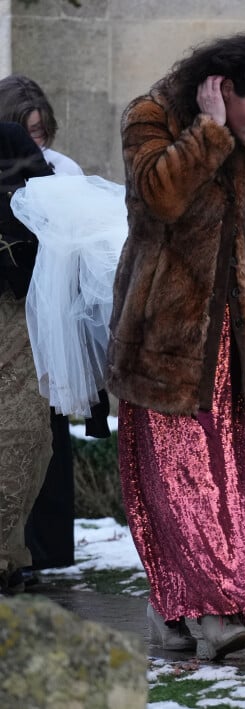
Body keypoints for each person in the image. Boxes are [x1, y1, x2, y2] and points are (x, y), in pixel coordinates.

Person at [105, 34, 245, 658]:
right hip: (163, 331)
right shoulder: (150, 116)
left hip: (230, 331)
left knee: (221, 479)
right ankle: (211, 610)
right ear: (221, 88)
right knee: (172, 477)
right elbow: (155, 200)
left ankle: (178, 610)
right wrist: (211, 133)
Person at [0, 74, 109, 580]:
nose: (36, 139)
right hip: (11, 306)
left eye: (42, 130)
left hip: (44, 316)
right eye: (27, 130)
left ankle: (39, 548)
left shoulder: (60, 174)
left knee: (39, 433)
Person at [0, 121, 54, 594]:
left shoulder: (11, 142)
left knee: (24, 436)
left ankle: (8, 554)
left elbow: (45, 213)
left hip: (18, 309)